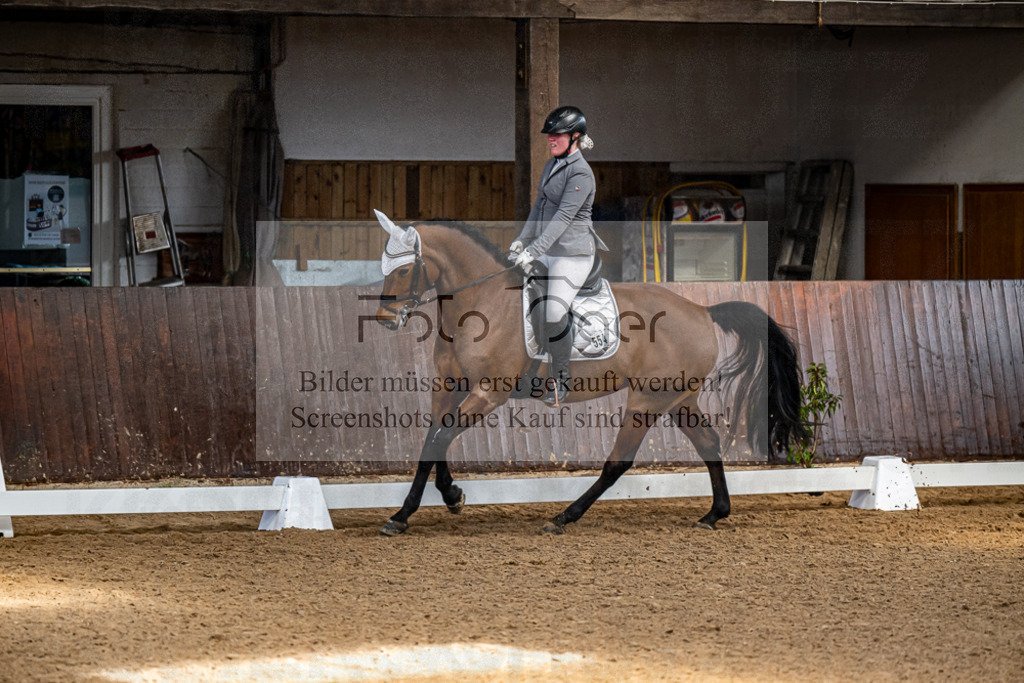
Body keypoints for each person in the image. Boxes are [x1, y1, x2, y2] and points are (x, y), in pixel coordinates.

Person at [509, 105, 609, 406]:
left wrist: (533, 250)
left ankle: (562, 378)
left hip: (573, 254)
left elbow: (563, 218)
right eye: (550, 135)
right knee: (526, 302)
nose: (551, 139)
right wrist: (521, 240)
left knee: (553, 311)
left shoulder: (581, 173)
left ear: (575, 137)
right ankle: (528, 373)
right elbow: (539, 207)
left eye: (557, 135)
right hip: (548, 249)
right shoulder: (551, 165)